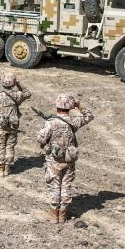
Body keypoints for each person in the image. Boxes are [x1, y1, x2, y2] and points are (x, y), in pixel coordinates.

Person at [36, 94, 94, 223]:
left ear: (57, 106)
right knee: (66, 185)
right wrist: (79, 106)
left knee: (54, 185)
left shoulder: (50, 122)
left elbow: (40, 139)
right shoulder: (74, 121)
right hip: (69, 159)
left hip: (54, 159)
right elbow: (89, 116)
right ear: (70, 107)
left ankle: (53, 214)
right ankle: (63, 214)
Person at [0, 74, 32, 176]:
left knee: (0, 146)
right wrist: (19, 84)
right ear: (13, 83)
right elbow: (27, 93)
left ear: (2, 83)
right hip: (13, 126)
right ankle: (7, 169)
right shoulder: (17, 95)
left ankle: (0, 169)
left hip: (0, 126)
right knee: (10, 146)